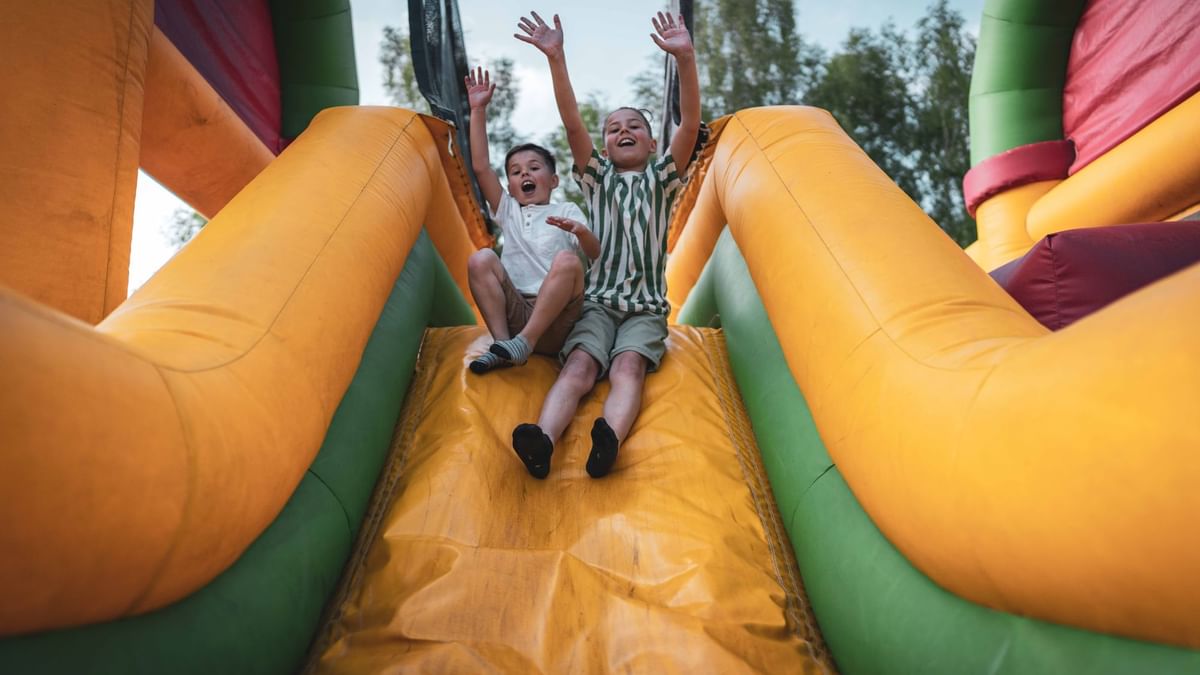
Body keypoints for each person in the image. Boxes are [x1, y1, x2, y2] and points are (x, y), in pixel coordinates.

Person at [510, 11, 701, 479]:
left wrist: (686, 59)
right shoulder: (598, 179)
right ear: (604, 146)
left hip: (645, 308)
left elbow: (691, 124)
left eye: (633, 125)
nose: (622, 131)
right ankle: (543, 439)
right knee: (577, 365)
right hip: (597, 302)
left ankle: (609, 438)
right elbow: (573, 124)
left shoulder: (662, 179)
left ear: (653, 143)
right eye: (613, 128)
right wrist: (556, 58)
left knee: (628, 367)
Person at [463, 66, 600, 377]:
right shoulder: (509, 211)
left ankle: (524, 343)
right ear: (510, 186)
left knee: (567, 260)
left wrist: (579, 231)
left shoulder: (566, 211)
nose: (524, 173)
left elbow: (593, 252)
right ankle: (503, 347)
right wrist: (478, 110)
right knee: (481, 259)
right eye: (515, 171)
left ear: (552, 180)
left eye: (534, 167)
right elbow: (481, 167)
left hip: (555, 320)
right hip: (514, 310)